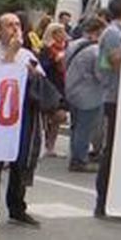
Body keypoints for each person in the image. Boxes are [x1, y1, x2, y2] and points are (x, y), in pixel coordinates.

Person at [0, 13, 42, 230]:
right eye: (9, 25)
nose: (15, 29)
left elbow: (40, 78)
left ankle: (17, 208)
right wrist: (13, 52)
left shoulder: (27, 54)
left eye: (17, 25)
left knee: (20, 162)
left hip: (23, 112)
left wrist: (32, 70)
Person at [93, 0, 121, 223]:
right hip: (114, 98)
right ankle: (104, 204)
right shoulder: (113, 33)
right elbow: (118, 61)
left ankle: (118, 201)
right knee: (112, 152)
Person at [64, 17, 106, 173]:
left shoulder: (73, 44)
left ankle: (75, 154)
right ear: (98, 31)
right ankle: (79, 160)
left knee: (76, 126)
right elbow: (100, 74)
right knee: (85, 128)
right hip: (89, 94)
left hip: (72, 89)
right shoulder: (96, 51)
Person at [38, 23, 70, 158]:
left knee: (60, 116)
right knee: (46, 115)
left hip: (62, 86)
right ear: (53, 34)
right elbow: (42, 67)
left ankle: (51, 145)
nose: (63, 35)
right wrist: (53, 60)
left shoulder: (66, 48)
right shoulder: (46, 49)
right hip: (49, 85)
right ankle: (44, 143)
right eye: (60, 32)